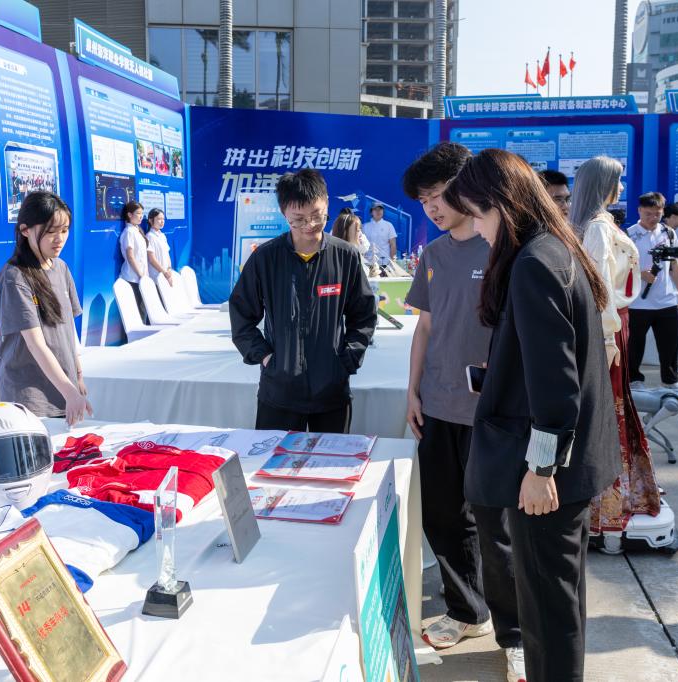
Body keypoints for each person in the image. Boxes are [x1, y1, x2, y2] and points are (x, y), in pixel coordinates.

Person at [444, 148, 619, 682]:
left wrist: (541, 470)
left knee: (547, 610)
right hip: (565, 461)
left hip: (548, 473)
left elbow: (557, 385)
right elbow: (545, 361)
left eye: (479, 214)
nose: (477, 228)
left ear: (503, 205)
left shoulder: (534, 262)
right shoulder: (552, 249)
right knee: (558, 598)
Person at [402, 142, 524, 681]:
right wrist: (412, 392)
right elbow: (426, 326)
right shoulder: (433, 254)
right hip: (438, 405)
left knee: (498, 527)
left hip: (492, 413)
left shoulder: (504, 247)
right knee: (444, 517)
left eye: (437, 194)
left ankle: (516, 634)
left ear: (466, 187)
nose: (431, 207)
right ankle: (467, 611)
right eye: (423, 199)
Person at [229, 169, 376, 433]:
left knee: (330, 458)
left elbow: (363, 315)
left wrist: (347, 359)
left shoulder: (345, 257)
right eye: (298, 219)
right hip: (280, 392)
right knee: (273, 457)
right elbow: (241, 316)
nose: (309, 225)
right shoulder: (265, 258)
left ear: (327, 204)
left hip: (331, 392)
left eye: (317, 216)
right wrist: (266, 357)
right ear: (284, 213)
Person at [568, 156, 661, 551]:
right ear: (603, 184)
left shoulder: (598, 224)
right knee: (608, 412)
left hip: (616, 325)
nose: (621, 188)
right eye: (617, 181)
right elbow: (599, 287)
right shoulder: (597, 228)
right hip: (609, 328)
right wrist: (607, 339)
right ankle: (604, 502)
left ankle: (610, 496)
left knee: (612, 409)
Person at [0, 190, 92, 425]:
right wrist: (69, 391)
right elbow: (35, 344)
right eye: (50, 231)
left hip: (62, 386)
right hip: (31, 395)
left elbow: (68, 331)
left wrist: (77, 376)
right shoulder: (15, 277)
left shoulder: (61, 267)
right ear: (25, 230)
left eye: (64, 230)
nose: (59, 239)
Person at [626, 192, 678, 390]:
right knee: (634, 345)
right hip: (638, 302)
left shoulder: (669, 233)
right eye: (648, 214)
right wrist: (640, 273)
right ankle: (634, 379)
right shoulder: (628, 235)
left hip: (666, 300)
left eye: (657, 214)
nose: (653, 218)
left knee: (669, 345)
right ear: (639, 211)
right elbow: (618, 267)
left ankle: (670, 381)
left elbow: (674, 264)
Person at [118, 201, 149, 323]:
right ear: (130, 214)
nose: (141, 216)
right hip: (133, 279)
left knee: (143, 311)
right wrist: (141, 275)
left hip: (140, 278)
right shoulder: (129, 232)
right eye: (138, 213)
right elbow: (130, 257)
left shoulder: (136, 230)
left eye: (142, 213)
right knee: (138, 313)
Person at [145, 208, 174, 286]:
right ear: (150, 220)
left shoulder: (162, 235)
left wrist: (169, 269)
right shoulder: (149, 236)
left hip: (166, 275)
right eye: (159, 219)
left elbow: (167, 255)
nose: (162, 221)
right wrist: (164, 272)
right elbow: (152, 259)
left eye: (163, 219)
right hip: (156, 277)